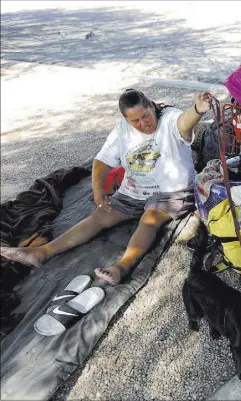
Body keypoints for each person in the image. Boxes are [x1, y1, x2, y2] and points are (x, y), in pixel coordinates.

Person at [0, 89, 212, 285]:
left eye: (146, 115)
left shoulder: (169, 118)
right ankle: (42, 252)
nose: (143, 124)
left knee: (150, 220)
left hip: (170, 192)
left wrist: (197, 110)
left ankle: (122, 266)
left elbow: (184, 122)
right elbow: (102, 161)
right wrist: (97, 188)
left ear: (152, 106)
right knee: (98, 217)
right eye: (135, 121)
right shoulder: (122, 128)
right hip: (133, 190)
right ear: (126, 119)